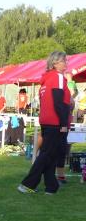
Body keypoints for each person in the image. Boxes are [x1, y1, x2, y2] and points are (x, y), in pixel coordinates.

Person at [19, 51, 72, 195]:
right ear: (55, 63)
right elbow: (58, 102)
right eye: (64, 61)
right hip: (55, 122)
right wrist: (63, 123)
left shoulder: (46, 80)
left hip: (46, 120)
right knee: (46, 154)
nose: (66, 64)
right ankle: (27, 184)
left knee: (51, 155)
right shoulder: (58, 77)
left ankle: (51, 186)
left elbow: (46, 102)